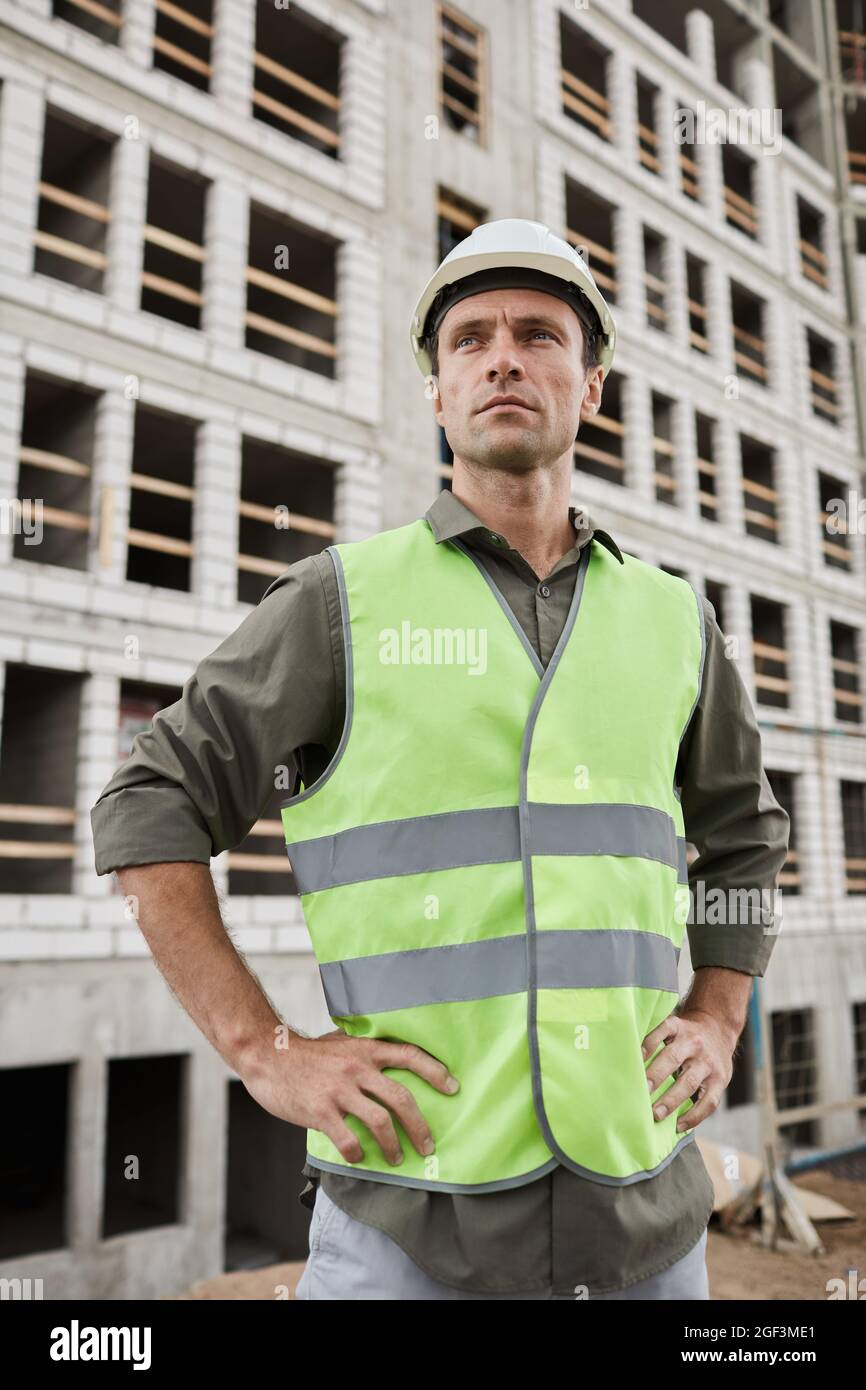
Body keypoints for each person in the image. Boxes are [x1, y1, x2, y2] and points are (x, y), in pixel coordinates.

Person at [91, 218, 788, 1301]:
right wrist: (264, 1048)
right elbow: (149, 801)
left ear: (590, 385)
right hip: (407, 1228)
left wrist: (716, 1011)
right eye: (468, 338)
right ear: (435, 392)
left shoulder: (672, 620)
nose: (502, 356)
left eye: (538, 334)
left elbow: (744, 841)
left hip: (645, 1216)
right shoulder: (340, 602)